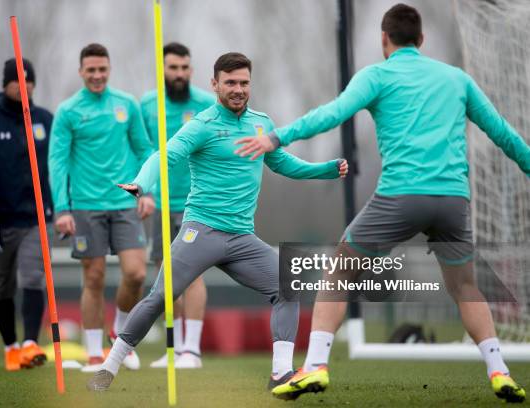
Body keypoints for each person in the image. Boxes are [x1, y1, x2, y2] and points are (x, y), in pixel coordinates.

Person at [235, 3, 530, 403]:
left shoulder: (377, 75)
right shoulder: (457, 79)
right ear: (421, 40)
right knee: (465, 286)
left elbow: (333, 113)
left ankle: (315, 366)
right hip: (453, 200)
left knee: (340, 271)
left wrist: (276, 138)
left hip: (400, 197)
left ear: (384, 40)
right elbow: (504, 134)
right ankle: (499, 371)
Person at [87, 52, 348, 392]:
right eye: (230, 83)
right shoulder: (202, 125)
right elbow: (166, 155)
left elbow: (282, 164)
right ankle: (109, 365)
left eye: (243, 83)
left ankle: (281, 374)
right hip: (201, 231)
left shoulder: (261, 123)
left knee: (287, 286)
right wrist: (143, 184)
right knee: (160, 297)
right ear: (215, 84)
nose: (238, 89)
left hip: (242, 238)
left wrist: (324, 169)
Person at [48, 43, 155, 372]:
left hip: (124, 204)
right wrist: (62, 208)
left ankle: (118, 334)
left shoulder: (127, 105)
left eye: (102, 69)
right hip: (85, 206)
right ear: (81, 72)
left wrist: (147, 191)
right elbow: (57, 161)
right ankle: (94, 354)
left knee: (136, 274)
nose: (97, 75)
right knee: (93, 277)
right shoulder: (68, 111)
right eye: (91, 70)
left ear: (109, 69)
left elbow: (144, 149)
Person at [0, 58, 52, 371]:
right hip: (0, 223)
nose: (24, 85)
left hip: (35, 220)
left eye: (29, 80)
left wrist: (57, 206)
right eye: (17, 80)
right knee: (2, 287)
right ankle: (11, 348)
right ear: (5, 83)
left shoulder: (44, 120)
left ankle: (30, 343)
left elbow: (56, 168)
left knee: (32, 277)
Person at [140, 42, 214, 369]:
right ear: (163, 70)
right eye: (173, 68)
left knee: (193, 272)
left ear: (191, 70)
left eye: (185, 68)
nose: (179, 74)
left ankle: (191, 350)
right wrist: (144, 190)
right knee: (166, 276)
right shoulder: (147, 105)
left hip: (196, 202)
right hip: (159, 202)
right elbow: (143, 150)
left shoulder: (206, 104)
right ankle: (174, 346)